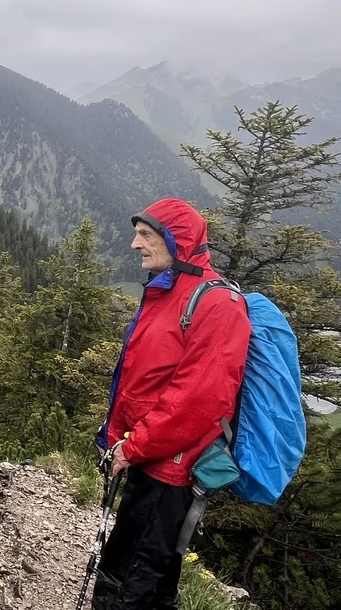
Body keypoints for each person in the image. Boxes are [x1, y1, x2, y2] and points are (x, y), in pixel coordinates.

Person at [91, 198, 251, 610]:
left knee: (129, 578)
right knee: (149, 575)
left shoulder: (217, 305)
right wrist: (116, 441)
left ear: (175, 241)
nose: (134, 244)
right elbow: (141, 379)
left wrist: (133, 446)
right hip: (151, 454)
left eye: (145, 235)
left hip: (171, 468)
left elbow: (196, 400)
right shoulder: (167, 291)